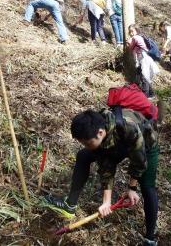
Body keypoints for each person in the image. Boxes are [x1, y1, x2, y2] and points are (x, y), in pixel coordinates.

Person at [44, 108, 159, 246]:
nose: (86, 146)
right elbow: (106, 167)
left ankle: (150, 238)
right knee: (83, 155)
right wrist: (106, 202)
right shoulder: (98, 130)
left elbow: (139, 162)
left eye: (87, 143)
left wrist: (132, 187)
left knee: (147, 187)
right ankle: (70, 205)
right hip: (116, 143)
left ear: (100, 133)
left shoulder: (130, 128)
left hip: (144, 144)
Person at [128, 24, 160, 99]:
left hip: (144, 59)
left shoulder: (135, 38)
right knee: (145, 77)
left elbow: (131, 49)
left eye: (132, 31)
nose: (131, 33)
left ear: (137, 30)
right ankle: (152, 94)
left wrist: (129, 42)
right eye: (130, 32)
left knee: (144, 77)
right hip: (146, 58)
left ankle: (144, 97)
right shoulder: (141, 37)